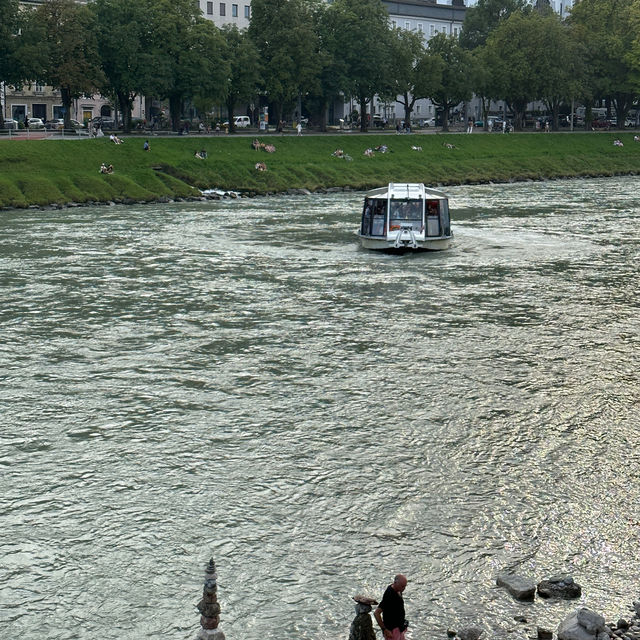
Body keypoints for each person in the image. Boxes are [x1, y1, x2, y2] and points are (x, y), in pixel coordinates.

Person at [374, 575, 408, 640]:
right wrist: (385, 630)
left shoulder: (398, 590)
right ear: (395, 583)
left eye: (405, 586)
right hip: (392, 631)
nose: (403, 588)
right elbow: (376, 613)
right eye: (402, 586)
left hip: (400, 628)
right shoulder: (389, 595)